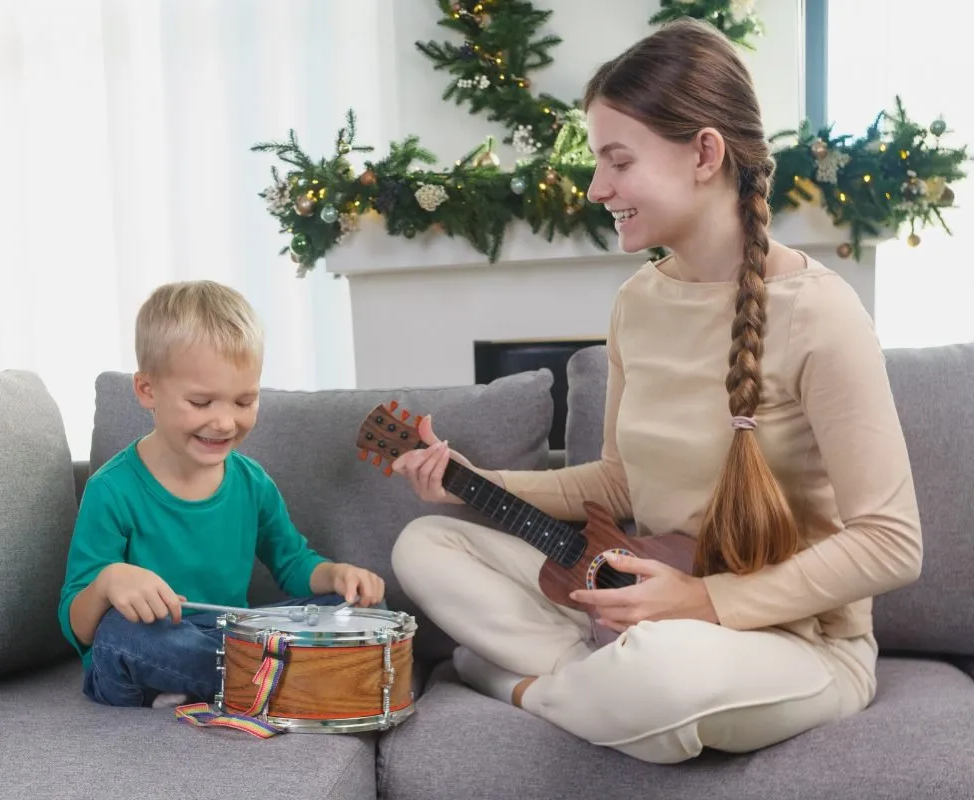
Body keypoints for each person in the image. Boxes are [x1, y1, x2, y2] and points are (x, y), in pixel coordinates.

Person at [389, 18, 922, 764]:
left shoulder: (821, 313)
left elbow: (892, 544)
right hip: (654, 600)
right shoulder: (639, 302)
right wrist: (469, 483)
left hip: (792, 643)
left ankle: (524, 683)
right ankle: (602, 683)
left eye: (618, 160)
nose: (597, 187)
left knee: (665, 674)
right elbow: (617, 481)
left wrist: (705, 603)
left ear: (705, 152)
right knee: (427, 544)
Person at [59, 279, 386, 709]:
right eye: (201, 402)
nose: (225, 423)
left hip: (228, 637)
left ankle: (219, 683)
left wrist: (338, 575)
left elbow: (293, 564)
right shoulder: (112, 489)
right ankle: (291, 679)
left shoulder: (251, 482)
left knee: (362, 607)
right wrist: (108, 582)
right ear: (147, 390)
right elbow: (77, 628)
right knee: (122, 635)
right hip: (144, 649)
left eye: (243, 401)